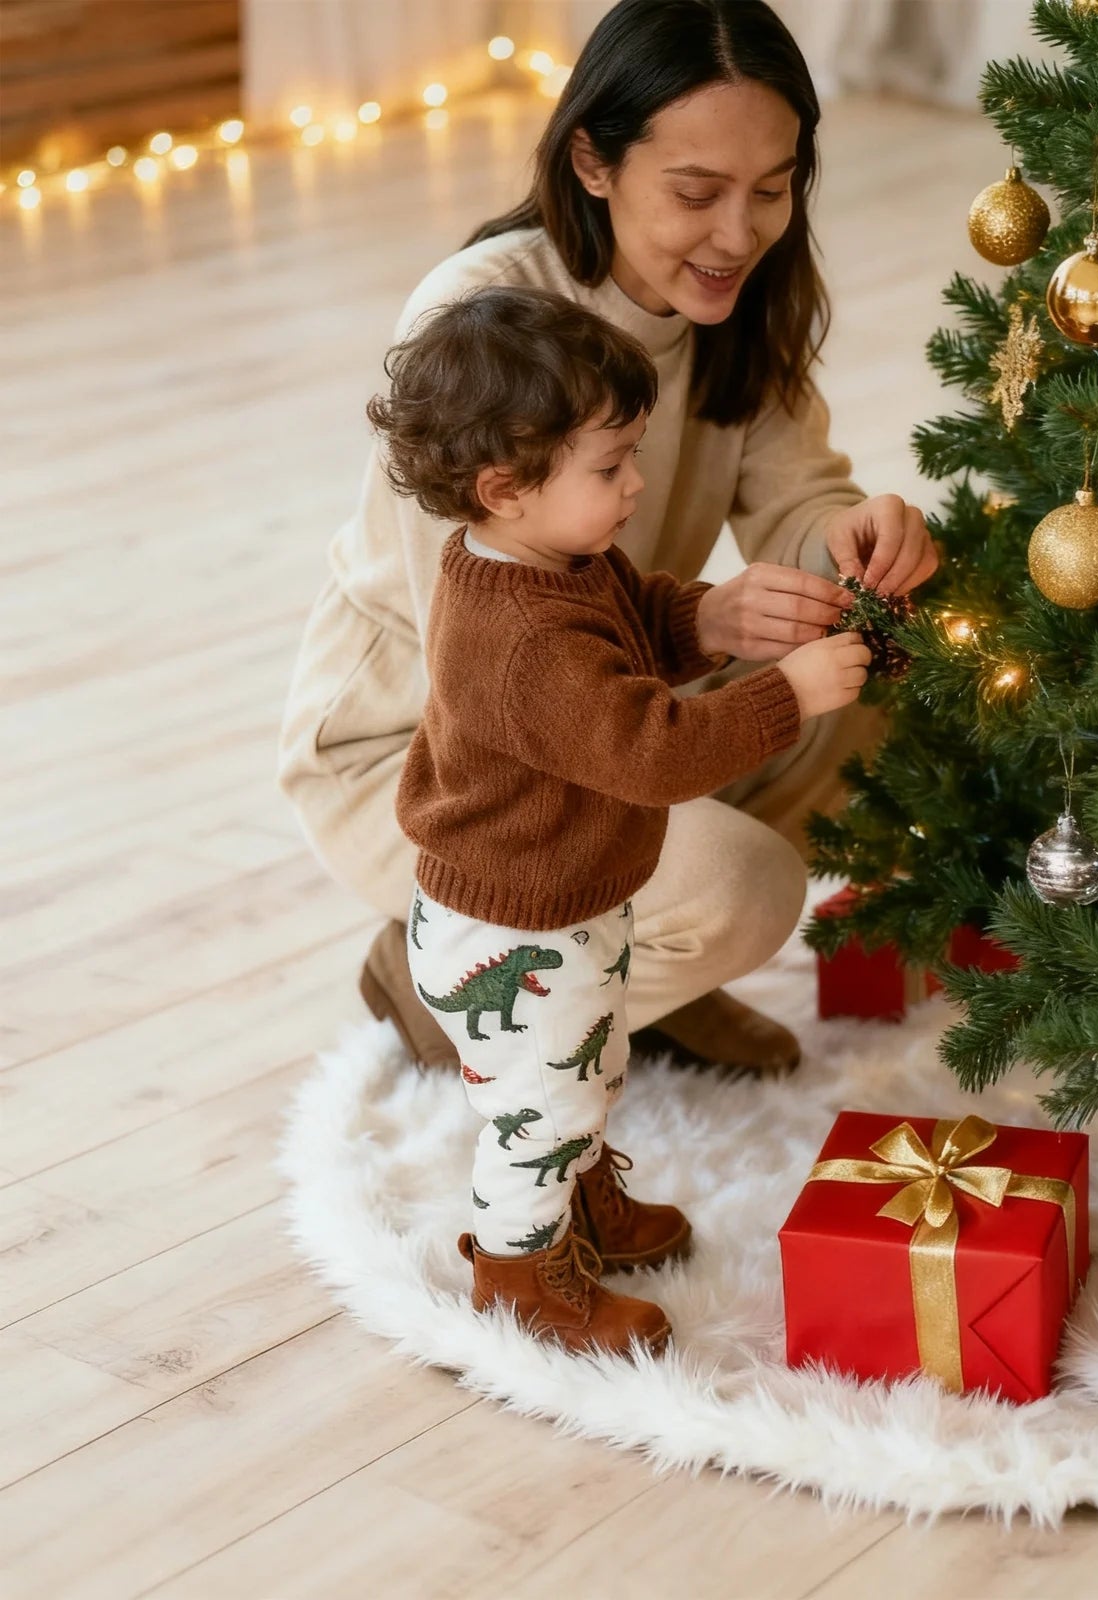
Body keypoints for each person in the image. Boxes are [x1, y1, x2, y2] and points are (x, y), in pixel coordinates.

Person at [277, 0, 938, 1079]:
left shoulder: (738, 315)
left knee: (875, 679)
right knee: (741, 886)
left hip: (604, 707)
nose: (739, 233)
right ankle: (452, 988)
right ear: (591, 160)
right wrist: (725, 656)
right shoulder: (484, 321)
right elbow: (493, 660)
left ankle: (643, 977)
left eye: (770, 190)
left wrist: (854, 544)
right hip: (439, 767)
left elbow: (796, 505)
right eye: (695, 193)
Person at [371, 284, 870, 1354]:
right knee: (537, 1110)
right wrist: (787, 692)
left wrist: (710, 618)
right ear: (503, 487)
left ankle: (581, 1204)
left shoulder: (553, 562)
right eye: (610, 468)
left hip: (566, 895)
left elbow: (632, 615)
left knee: (587, 1065)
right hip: (516, 925)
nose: (635, 483)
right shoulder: (522, 640)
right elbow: (651, 749)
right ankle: (520, 1273)